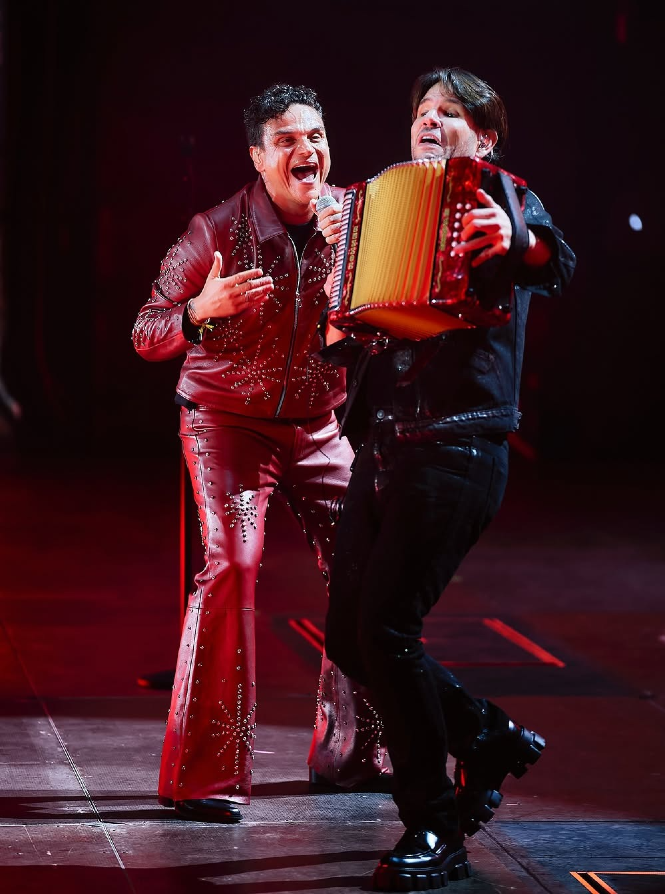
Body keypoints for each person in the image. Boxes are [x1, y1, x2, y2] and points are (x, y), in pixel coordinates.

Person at [318, 67, 575, 890]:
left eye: (450, 114)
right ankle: (489, 737)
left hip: (458, 447)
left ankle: (434, 822)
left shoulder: (499, 193)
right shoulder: (377, 204)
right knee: (350, 636)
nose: (429, 121)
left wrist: (515, 238)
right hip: (385, 446)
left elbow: (553, 259)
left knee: (387, 631)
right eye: (422, 112)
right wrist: (337, 269)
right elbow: (348, 337)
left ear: (484, 136)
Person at [132, 84, 388, 824]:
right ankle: (205, 776)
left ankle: (353, 755)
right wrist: (198, 313)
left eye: (316, 134)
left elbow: (380, 330)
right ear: (258, 156)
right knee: (234, 565)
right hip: (226, 425)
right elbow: (146, 334)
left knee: (366, 567)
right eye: (287, 140)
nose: (307, 150)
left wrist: (355, 270)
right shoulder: (214, 229)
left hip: (319, 429)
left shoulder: (359, 222)